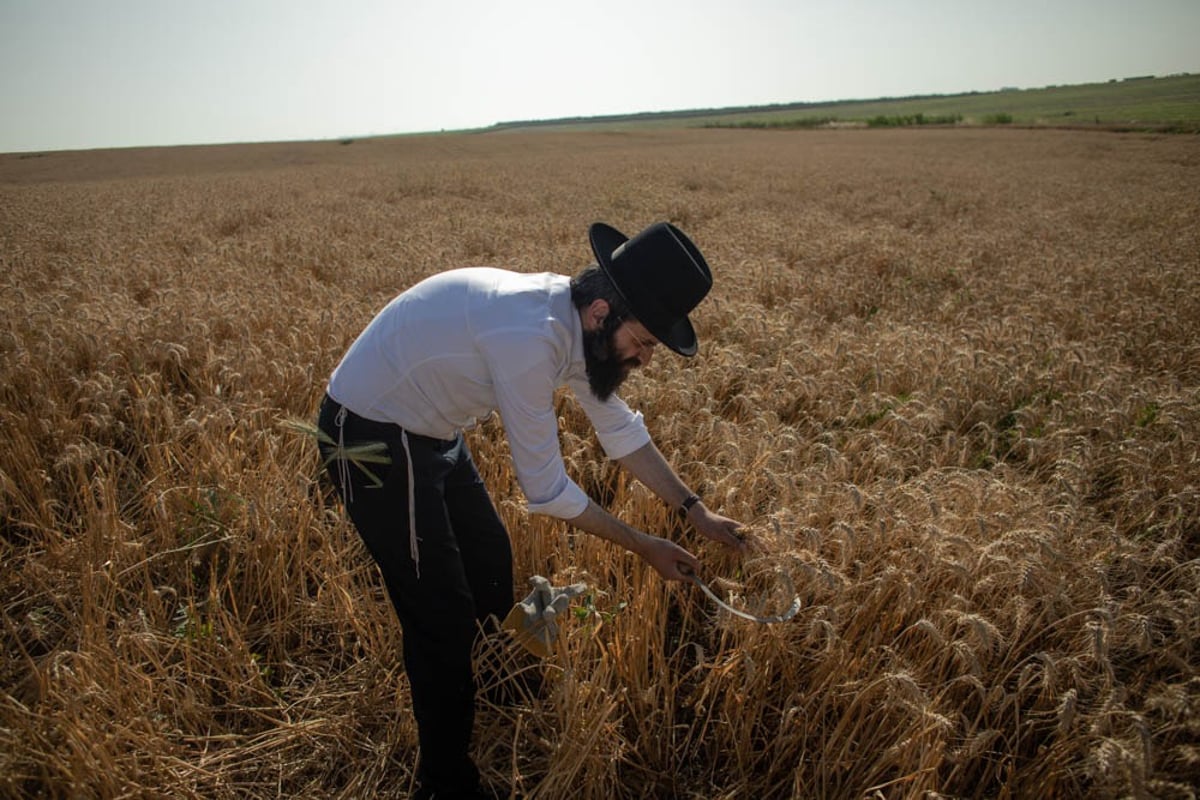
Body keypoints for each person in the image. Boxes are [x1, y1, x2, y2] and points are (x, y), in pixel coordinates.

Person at [315, 221, 745, 799]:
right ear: (602, 312)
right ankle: (445, 782)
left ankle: (493, 684)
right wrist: (645, 546)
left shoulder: (577, 325)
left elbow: (619, 430)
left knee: (491, 558)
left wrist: (694, 510)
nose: (644, 358)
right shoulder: (530, 337)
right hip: (372, 435)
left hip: (434, 429)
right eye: (644, 342)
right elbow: (546, 489)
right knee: (440, 616)